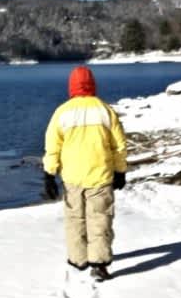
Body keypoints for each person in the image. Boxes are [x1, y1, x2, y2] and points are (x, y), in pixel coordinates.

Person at [41, 66, 127, 281]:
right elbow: (119, 146)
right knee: (100, 219)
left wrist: (49, 174)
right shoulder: (105, 110)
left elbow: (53, 146)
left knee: (74, 219)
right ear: (92, 84)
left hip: (72, 177)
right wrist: (120, 170)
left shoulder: (62, 112)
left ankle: (78, 260)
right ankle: (98, 265)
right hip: (100, 175)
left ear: (71, 86)